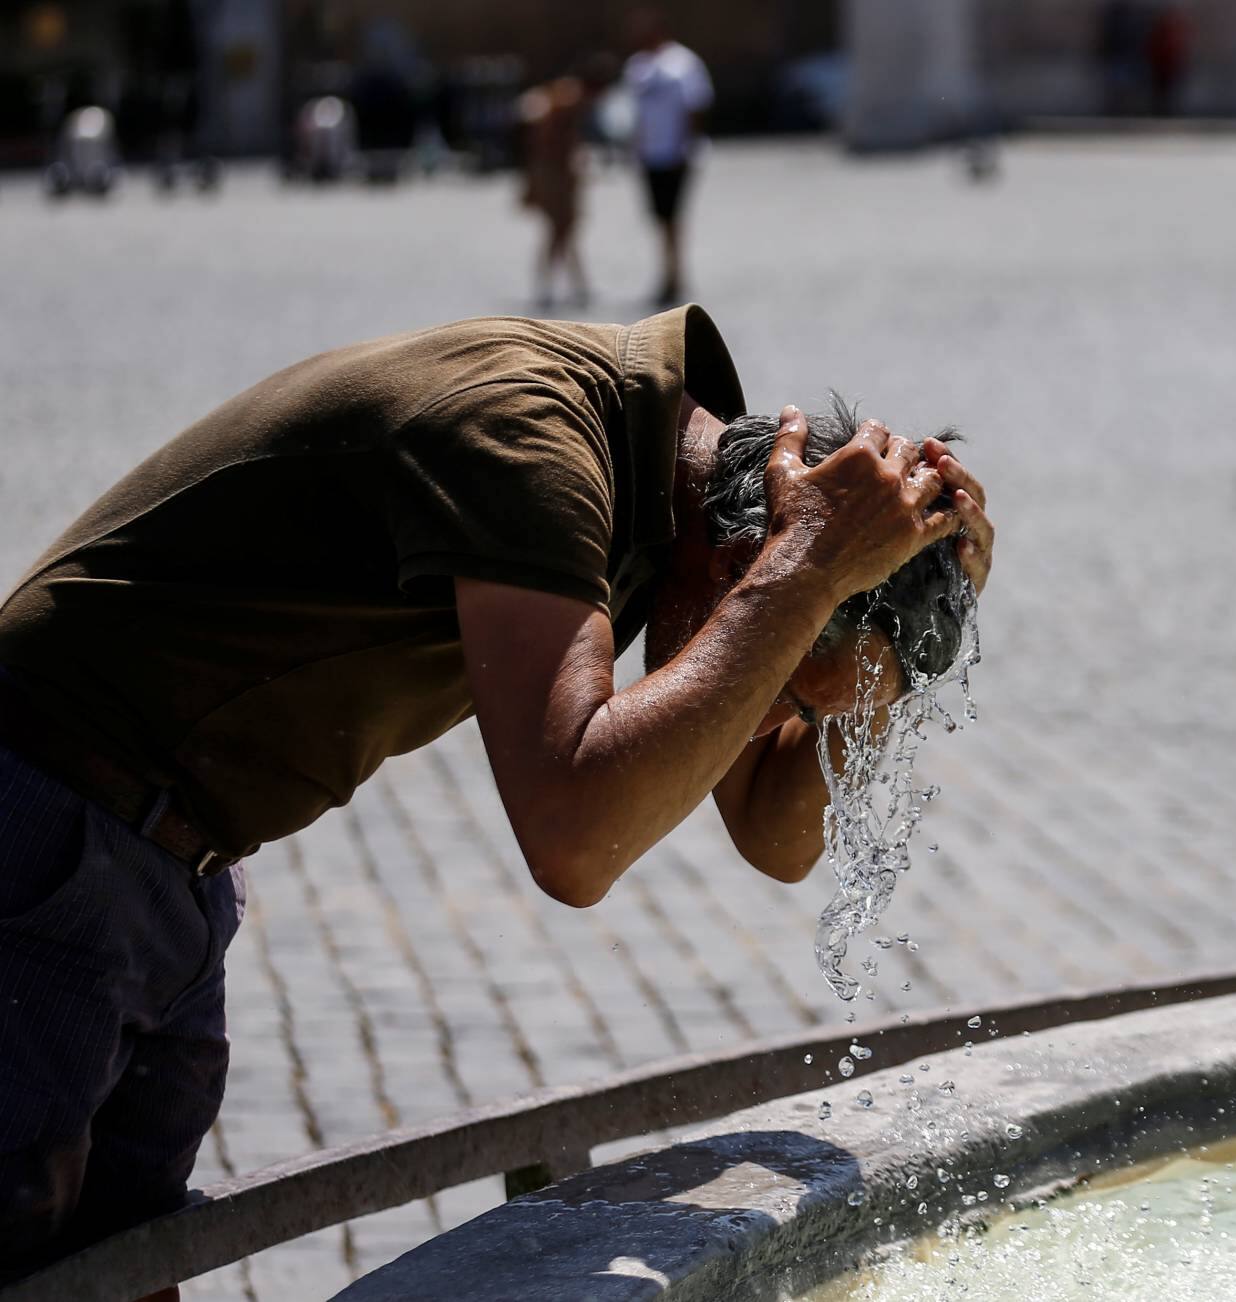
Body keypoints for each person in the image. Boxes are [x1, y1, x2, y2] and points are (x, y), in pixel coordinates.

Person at [0, 306, 994, 1286]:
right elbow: (575, 839)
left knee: (113, 1268)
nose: (760, 716)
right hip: (45, 828)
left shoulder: (680, 503)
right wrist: (808, 576)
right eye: (779, 678)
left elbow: (775, 836)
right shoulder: (533, 440)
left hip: (156, 863)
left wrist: (879, 662)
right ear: (744, 564)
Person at [624, 9, 715, 307]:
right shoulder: (636, 66)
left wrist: (686, 146)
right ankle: (667, 272)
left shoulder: (683, 63)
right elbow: (632, 113)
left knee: (674, 216)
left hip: (674, 153)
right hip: (649, 155)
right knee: (659, 218)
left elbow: (696, 106)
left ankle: (675, 274)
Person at [517, 56, 617, 310]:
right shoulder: (568, 98)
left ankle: (577, 285)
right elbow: (548, 138)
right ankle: (547, 285)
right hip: (555, 173)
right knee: (559, 230)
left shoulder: (567, 95)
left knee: (566, 230)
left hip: (557, 172)